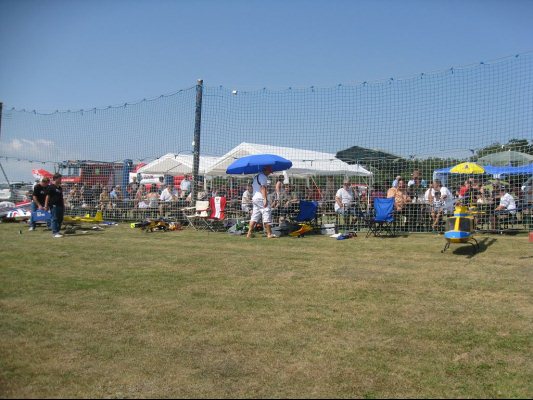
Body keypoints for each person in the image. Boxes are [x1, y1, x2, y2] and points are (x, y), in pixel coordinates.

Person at [247, 165, 276, 239]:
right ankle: (269, 234)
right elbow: (263, 187)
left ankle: (249, 233)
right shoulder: (263, 177)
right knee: (267, 213)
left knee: (254, 216)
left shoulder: (256, 177)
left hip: (255, 198)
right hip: (260, 198)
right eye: (269, 172)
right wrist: (265, 199)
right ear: (266, 170)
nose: (269, 173)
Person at [44, 173, 65, 238]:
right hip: (54, 205)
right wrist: (46, 205)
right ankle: (54, 232)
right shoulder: (51, 187)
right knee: (54, 218)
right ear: (55, 179)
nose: (61, 180)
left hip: (60, 205)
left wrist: (63, 205)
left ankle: (57, 231)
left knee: (60, 219)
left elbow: (61, 197)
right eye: (60, 178)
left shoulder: (60, 188)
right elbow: (47, 196)